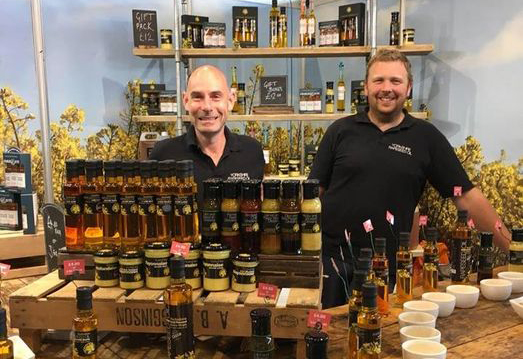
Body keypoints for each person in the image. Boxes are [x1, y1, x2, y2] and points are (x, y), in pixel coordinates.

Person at [309, 49, 511, 309]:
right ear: (367, 86)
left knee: (374, 334)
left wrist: (513, 249)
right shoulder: (340, 131)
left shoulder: (426, 138)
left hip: (384, 265)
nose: (386, 88)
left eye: (396, 81)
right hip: (330, 260)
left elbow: (466, 195)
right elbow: (313, 197)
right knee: (325, 336)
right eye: (379, 80)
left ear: (409, 87)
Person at [150, 64, 264, 204]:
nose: (207, 107)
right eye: (197, 97)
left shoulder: (252, 151)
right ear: (186, 101)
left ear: (230, 101)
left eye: (216, 96)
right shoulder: (163, 154)